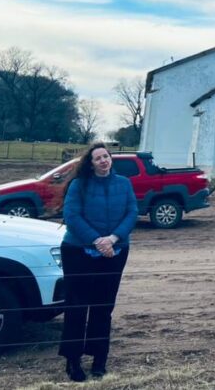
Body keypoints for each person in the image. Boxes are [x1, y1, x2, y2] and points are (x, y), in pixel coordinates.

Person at [58, 142, 138, 382]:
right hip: (78, 251)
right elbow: (71, 216)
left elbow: (132, 212)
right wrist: (96, 241)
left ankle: (99, 359)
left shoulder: (124, 184)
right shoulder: (78, 185)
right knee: (77, 307)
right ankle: (73, 361)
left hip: (115, 251)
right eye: (98, 158)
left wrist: (113, 239)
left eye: (106, 156)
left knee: (103, 307)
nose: (104, 160)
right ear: (90, 163)